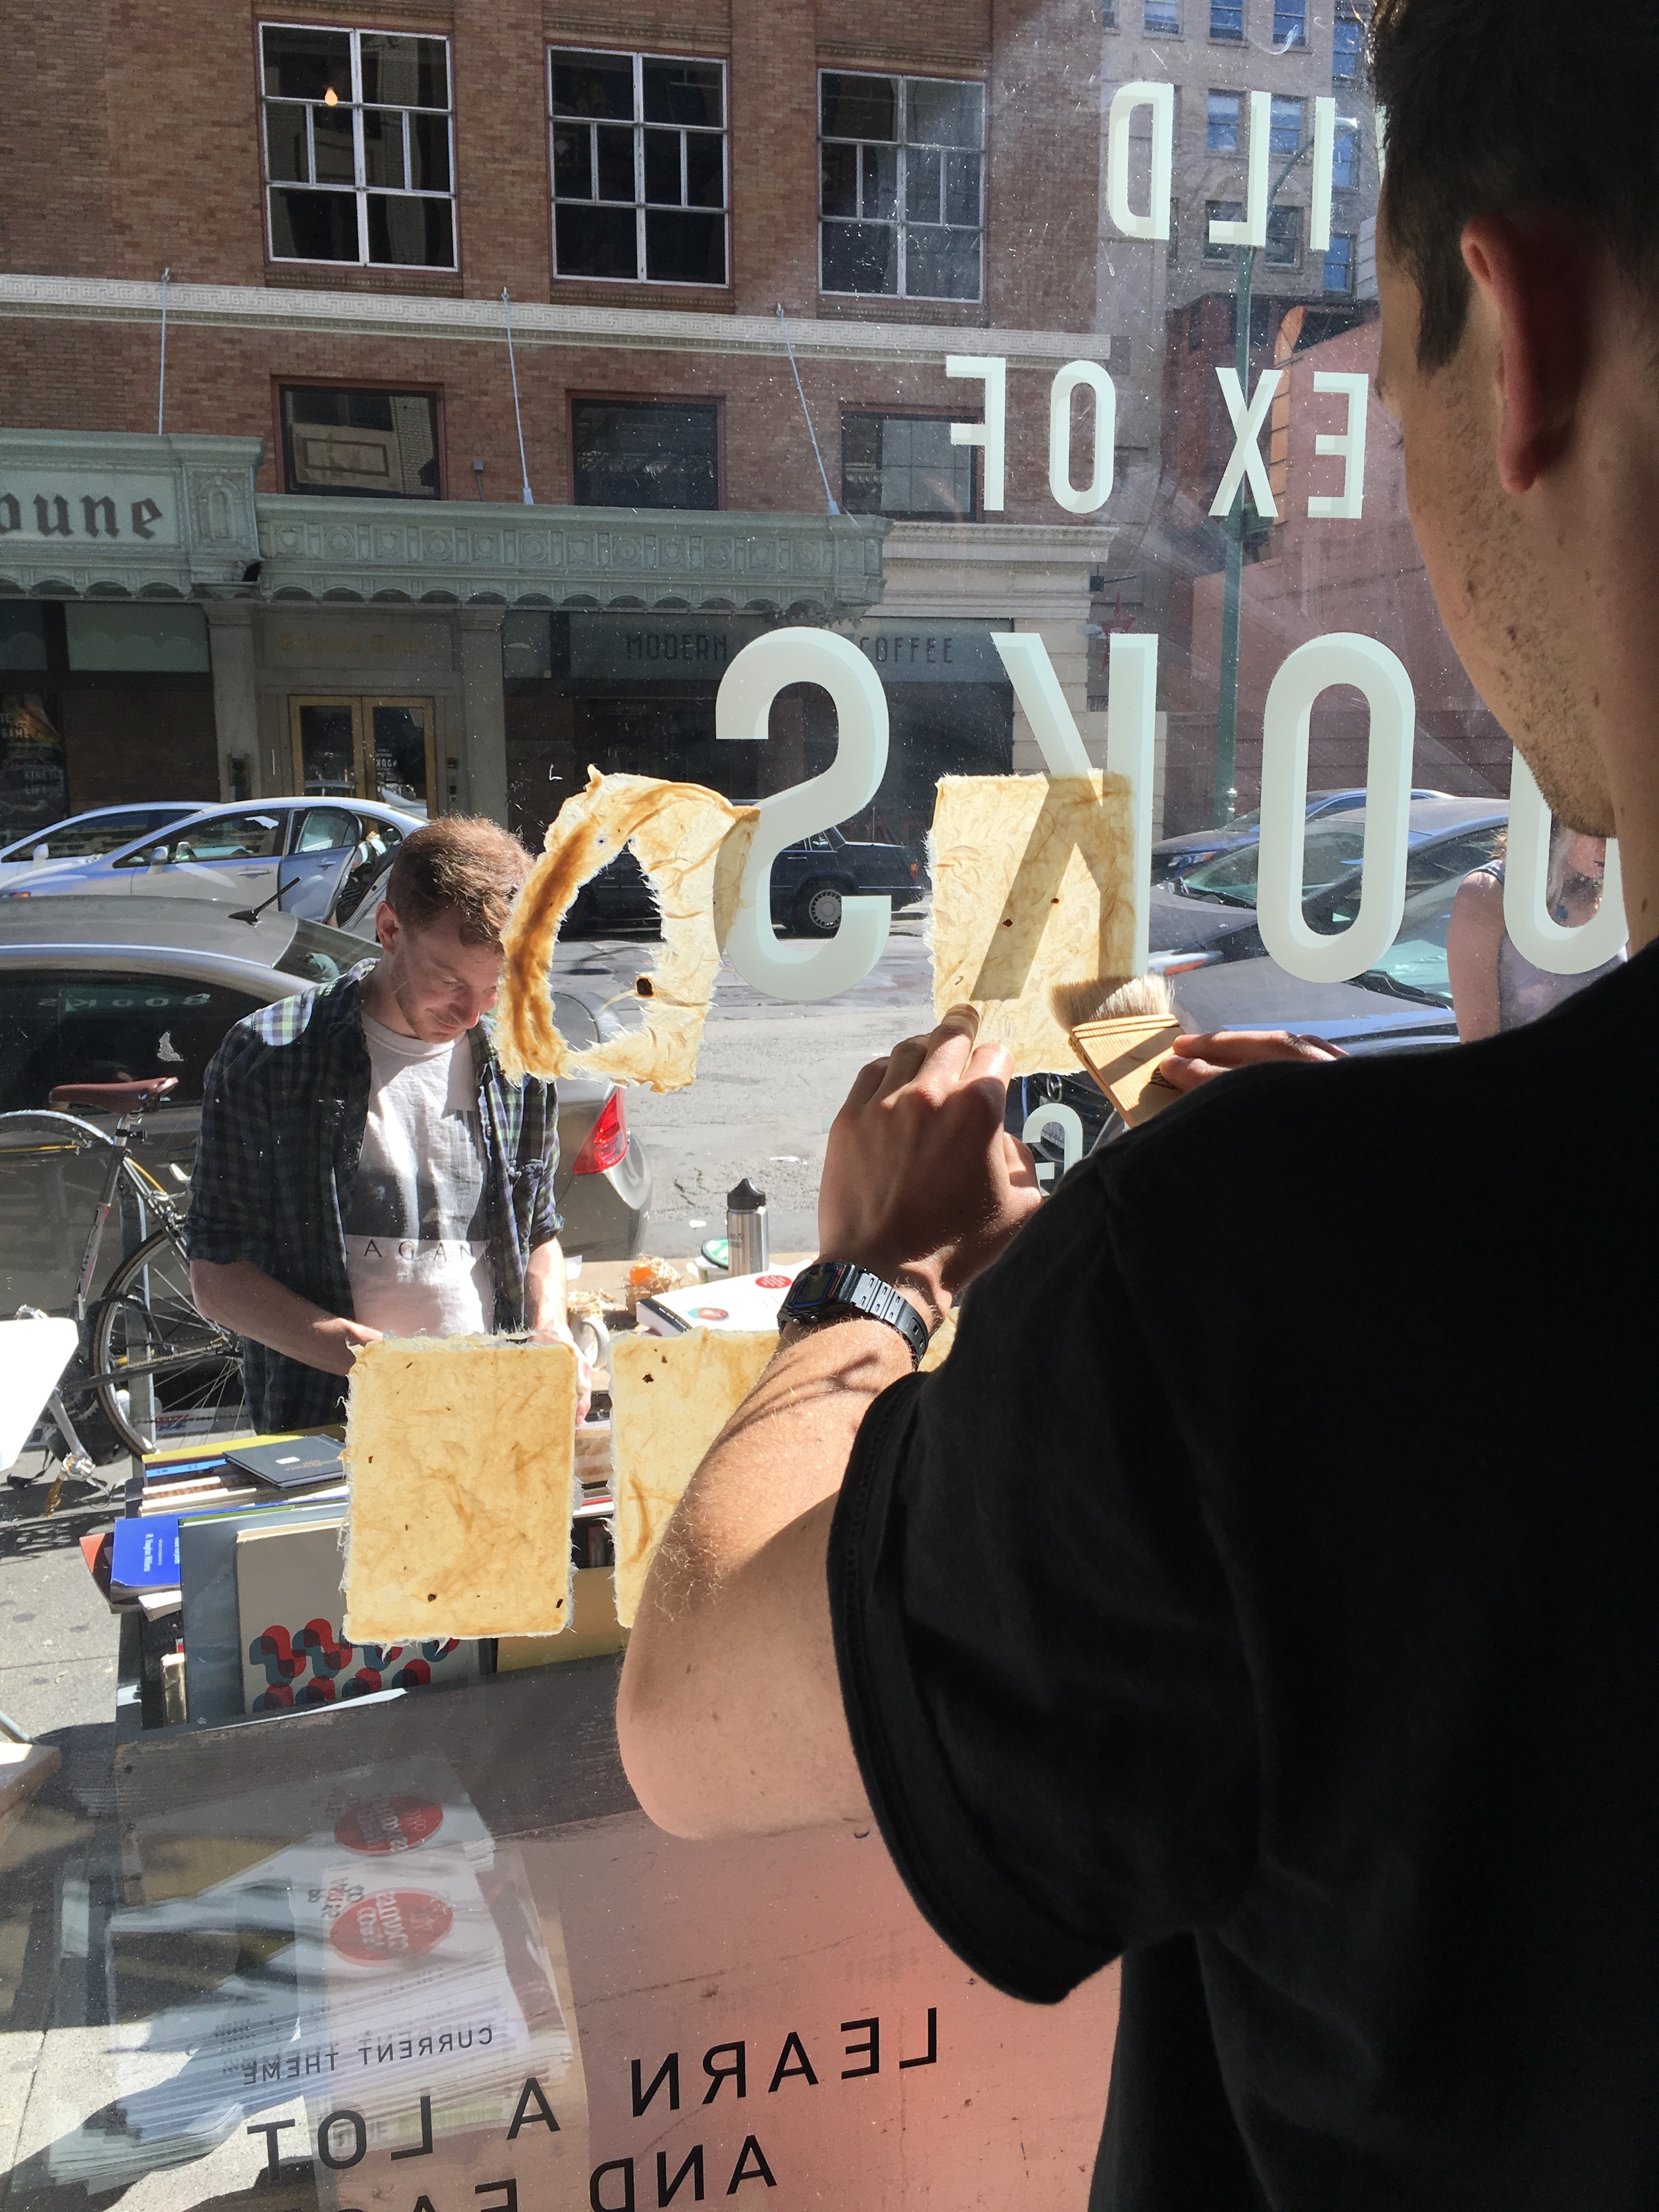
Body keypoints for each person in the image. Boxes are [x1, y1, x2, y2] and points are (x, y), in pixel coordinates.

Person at [615, 3, 1659, 2205]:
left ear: (1520, 328)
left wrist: (877, 1283)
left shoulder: (1274, 1299)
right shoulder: (1311, 1281)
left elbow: (697, 1705)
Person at [188, 816, 585, 1431]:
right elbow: (218, 1279)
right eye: (450, 980)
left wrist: (552, 1326)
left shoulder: (520, 1060)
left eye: (496, 985)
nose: (472, 1011)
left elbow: (538, 1234)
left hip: (496, 1410)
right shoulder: (271, 1055)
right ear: (390, 928)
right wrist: (387, 1365)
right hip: (334, 1418)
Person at [1447, 823, 1625, 1037]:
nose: (1608, 845)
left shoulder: (1615, 893)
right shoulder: (1488, 893)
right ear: (1558, 822)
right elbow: (1478, 1038)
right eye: (1597, 830)